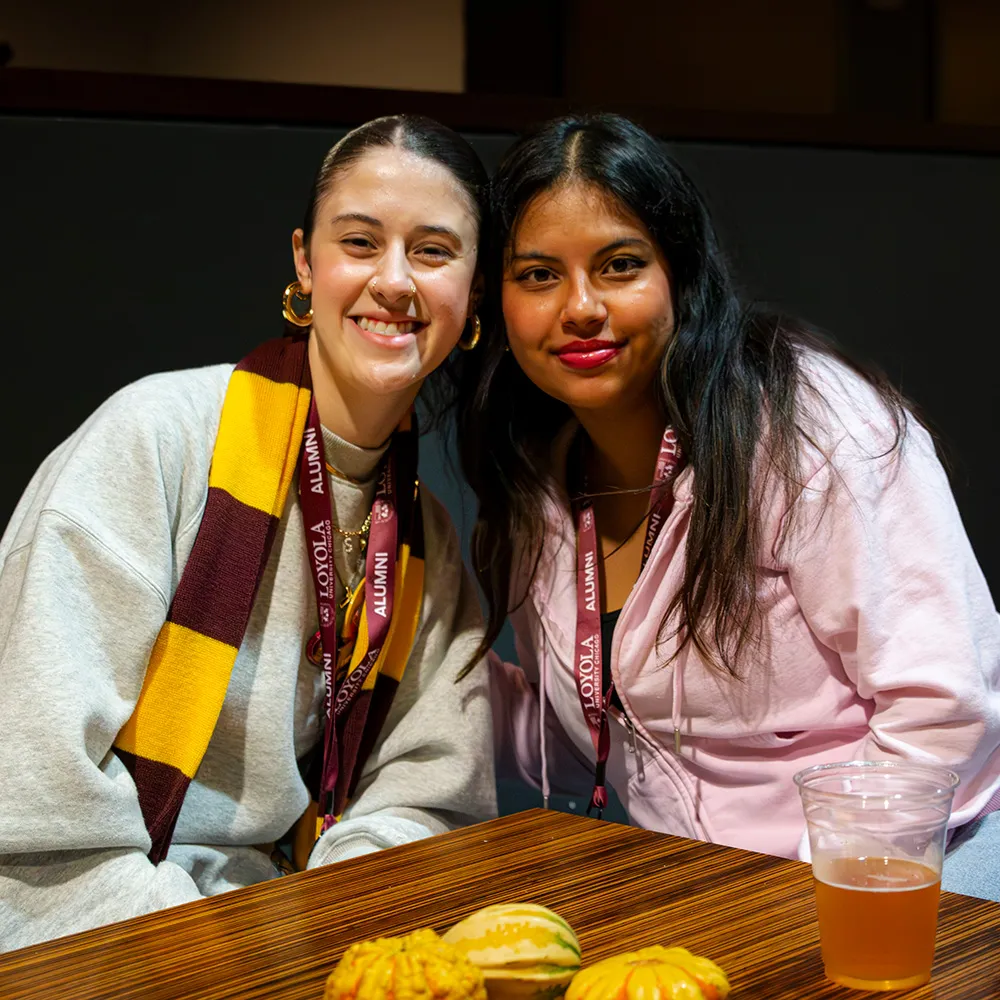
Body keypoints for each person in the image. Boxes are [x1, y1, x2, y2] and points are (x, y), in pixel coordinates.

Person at [458, 113, 1000, 897]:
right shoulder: (539, 483)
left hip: (910, 863)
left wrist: (807, 896)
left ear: (681, 275)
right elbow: (590, 731)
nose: (579, 307)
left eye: (619, 265)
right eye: (539, 274)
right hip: (700, 880)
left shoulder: (808, 427)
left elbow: (944, 706)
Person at [0, 114, 496, 950]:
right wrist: (216, 953)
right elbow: (33, 790)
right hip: (87, 924)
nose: (396, 281)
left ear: (473, 295)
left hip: (290, 927)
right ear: (306, 261)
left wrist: (338, 923)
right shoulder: (159, 439)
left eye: (435, 251)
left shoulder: (426, 539)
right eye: (361, 242)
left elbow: (428, 797)